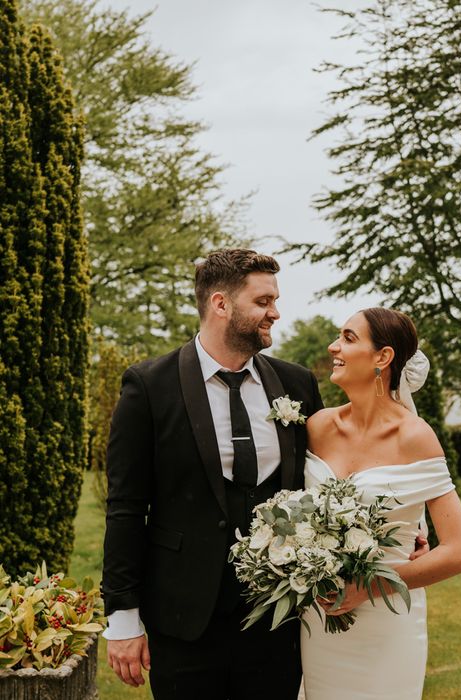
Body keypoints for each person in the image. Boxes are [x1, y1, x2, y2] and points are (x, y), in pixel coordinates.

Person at [101, 249, 324, 700]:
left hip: (277, 617)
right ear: (220, 304)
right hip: (185, 620)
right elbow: (126, 506)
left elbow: (329, 477)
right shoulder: (149, 386)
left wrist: (400, 531)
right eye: (263, 302)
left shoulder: (297, 384)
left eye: (275, 300)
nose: (275, 313)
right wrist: (123, 618)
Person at [300, 307, 461, 700]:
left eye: (348, 338)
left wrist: (368, 588)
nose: (334, 346)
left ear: (383, 357)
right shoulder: (317, 427)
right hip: (316, 620)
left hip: (387, 621)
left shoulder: (414, 437)